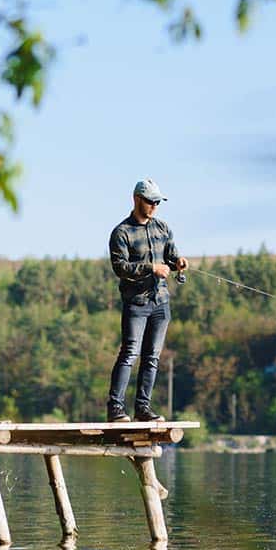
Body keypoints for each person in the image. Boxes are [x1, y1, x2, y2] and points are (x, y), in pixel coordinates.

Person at [106, 179, 189, 422]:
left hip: (161, 303)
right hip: (136, 304)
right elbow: (120, 267)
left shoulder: (162, 228)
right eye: (150, 201)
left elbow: (171, 257)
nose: (154, 206)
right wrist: (151, 267)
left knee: (152, 357)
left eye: (157, 202)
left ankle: (143, 409)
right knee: (130, 353)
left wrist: (179, 262)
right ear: (137, 199)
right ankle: (116, 409)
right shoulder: (121, 232)